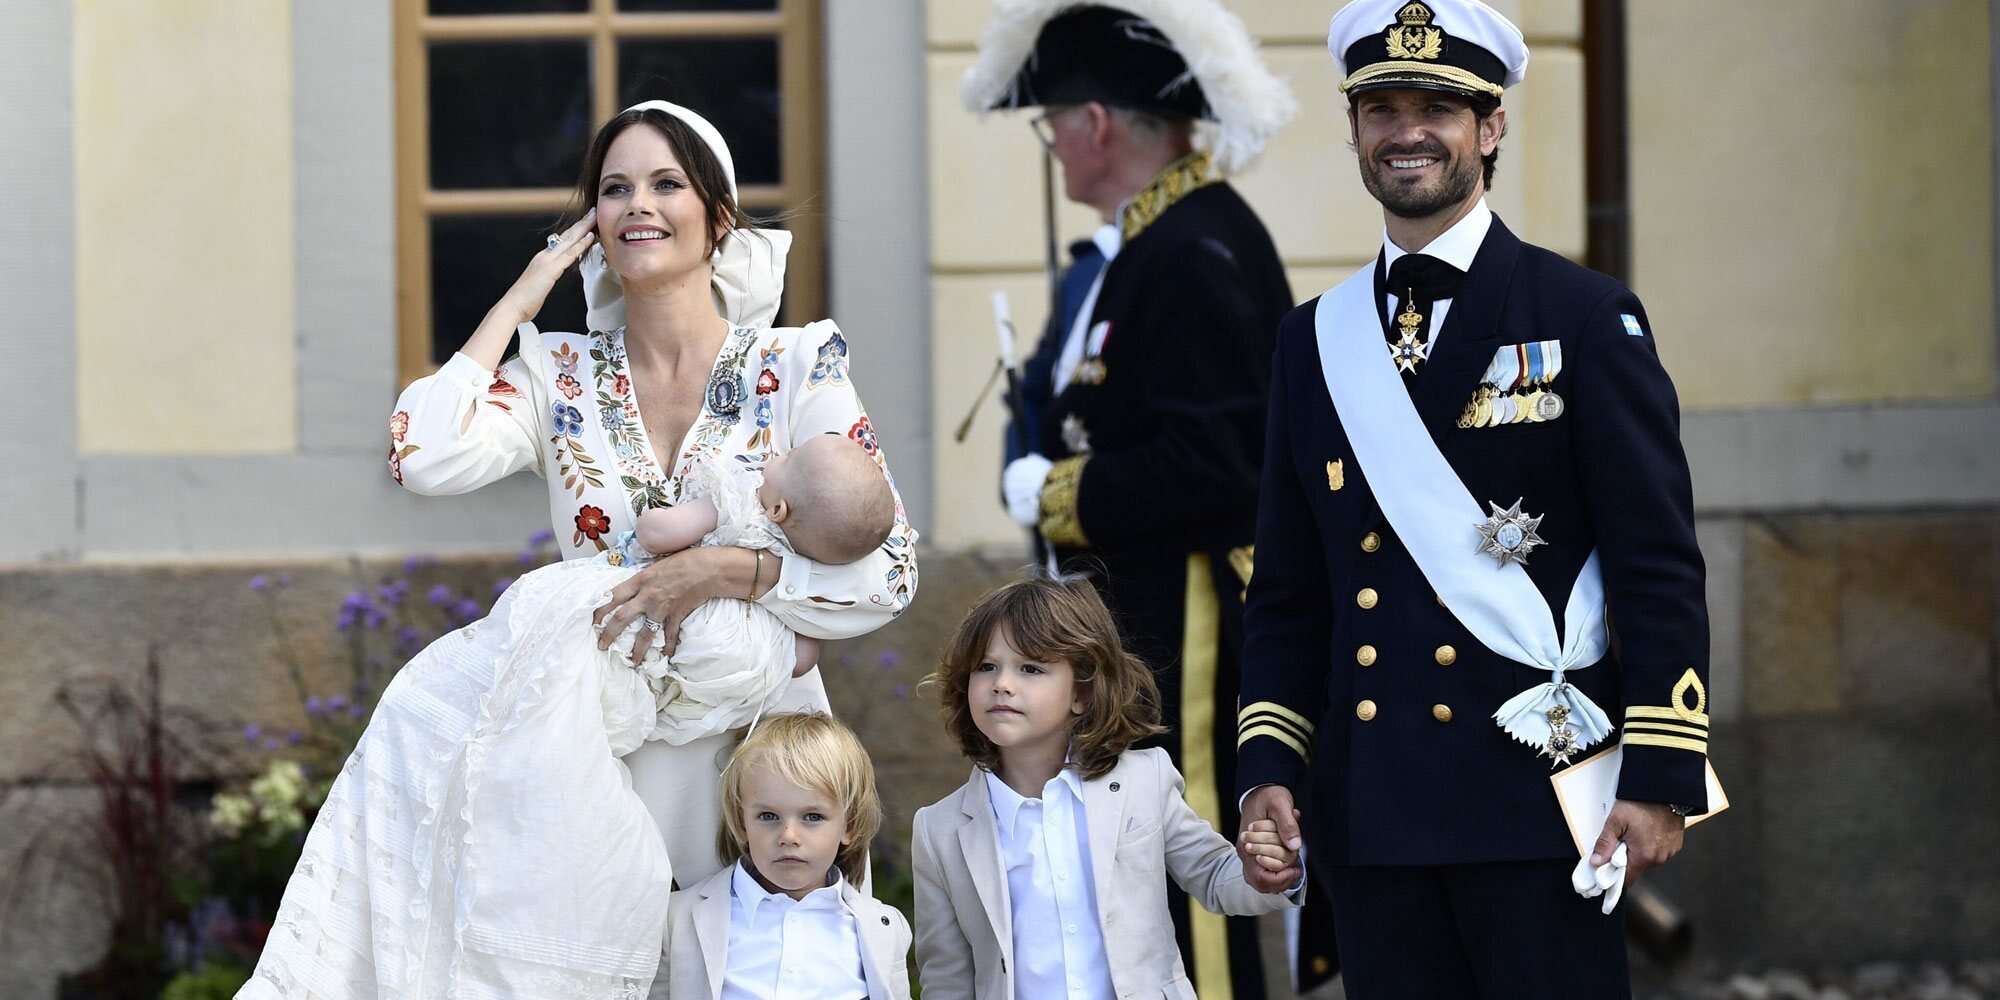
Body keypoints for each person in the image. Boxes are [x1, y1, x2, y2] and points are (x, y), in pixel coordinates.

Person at [1234, 1, 1712, 996]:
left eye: (1436, 108)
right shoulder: (1309, 342)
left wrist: (1661, 776)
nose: (1404, 130)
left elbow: (1653, 559)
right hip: (1373, 813)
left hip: (1533, 807)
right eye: (1378, 107)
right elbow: (1286, 588)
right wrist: (1268, 765)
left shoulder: (1581, 316)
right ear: (1354, 129)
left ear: (1488, 128)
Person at [243, 401, 898, 997]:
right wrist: (778, 614)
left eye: (783, 463)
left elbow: (886, 573)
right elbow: (418, 456)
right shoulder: (560, 368)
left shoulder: (784, 390)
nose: (772, 457)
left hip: (757, 753)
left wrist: (723, 562)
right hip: (677, 707)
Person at [962, 1, 1334, 992]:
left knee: (1190, 836)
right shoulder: (1149, 242)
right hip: (1138, 610)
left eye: (1051, 128)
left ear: (1093, 123)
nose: (1050, 150)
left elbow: (1222, 462)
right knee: (1133, 854)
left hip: (1192, 614)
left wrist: (1059, 492)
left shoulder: (1194, 248)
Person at [910, 576, 1301, 1000]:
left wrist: (1267, 876)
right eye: (986, 667)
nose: (1002, 683)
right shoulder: (939, 830)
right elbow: (946, 977)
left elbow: (1213, 875)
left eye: (1030, 668)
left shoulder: (1145, 780)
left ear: (1081, 692)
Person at [661, 712, 912, 1000]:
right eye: (768, 816)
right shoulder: (678, 920)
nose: (789, 836)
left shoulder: (884, 929)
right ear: (742, 823)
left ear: (850, 825)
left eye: (812, 816)